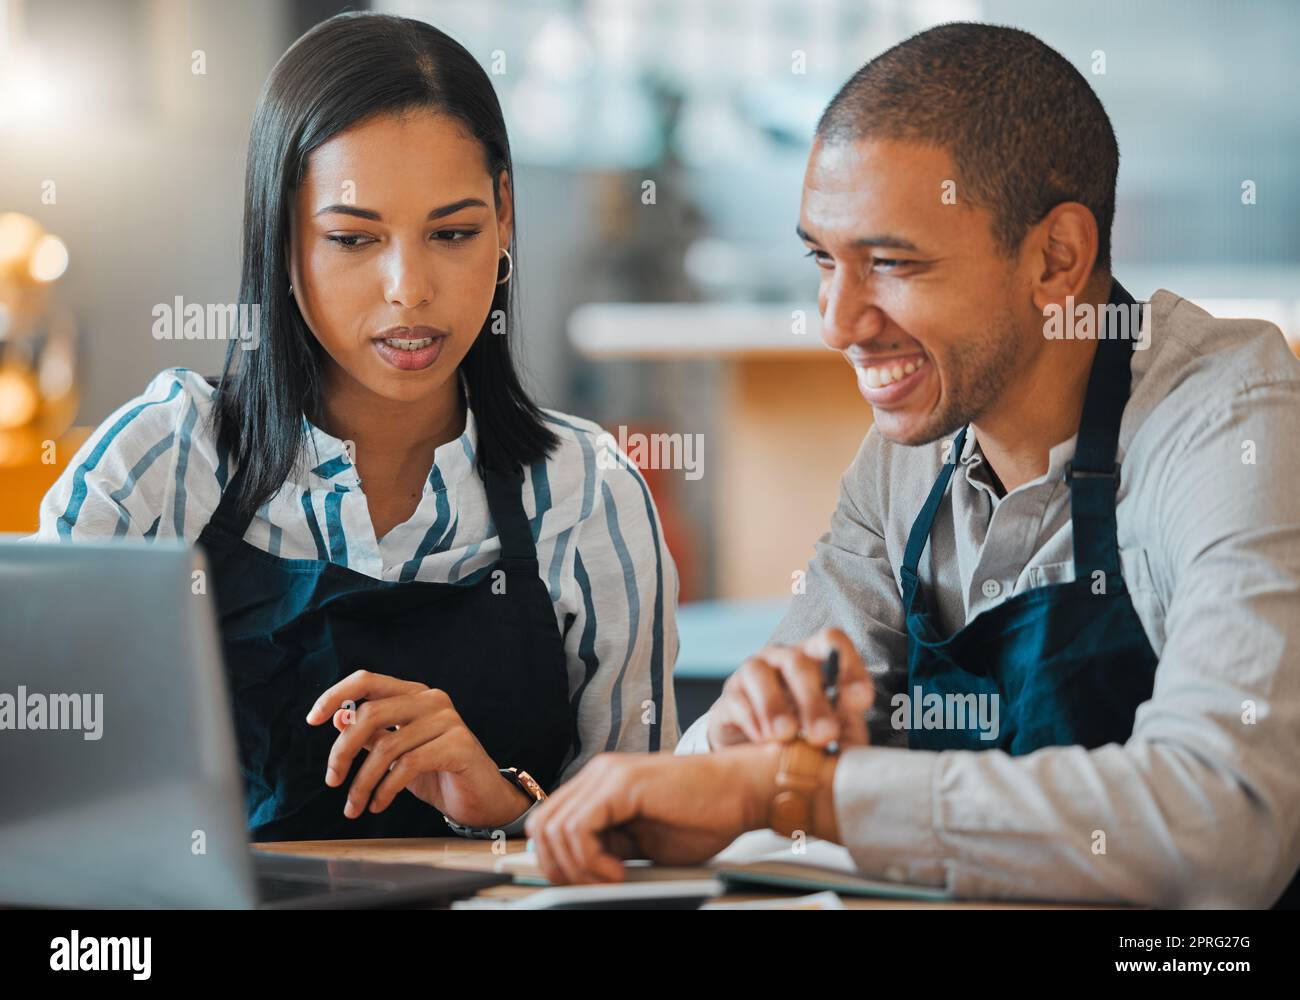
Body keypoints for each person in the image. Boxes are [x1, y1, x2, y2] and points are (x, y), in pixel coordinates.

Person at [525, 22, 1300, 908]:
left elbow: (1225, 826)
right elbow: (734, 775)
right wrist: (748, 736)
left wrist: (804, 792)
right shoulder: (907, 459)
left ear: (1058, 258)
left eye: (892, 263)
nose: (837, 322)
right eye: (823, 259)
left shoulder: (1229, 419)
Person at [33, 12, 679, 842]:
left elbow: (648, 845)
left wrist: (510, 807)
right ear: (281, 238)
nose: (409, 289)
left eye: (453, 233)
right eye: (352, 238)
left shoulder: (588, 491)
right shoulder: (160, 462)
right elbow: (33, 768)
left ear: (506, 215)